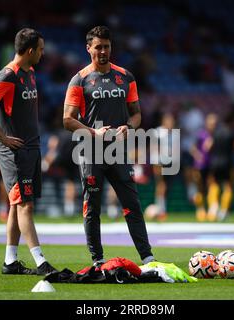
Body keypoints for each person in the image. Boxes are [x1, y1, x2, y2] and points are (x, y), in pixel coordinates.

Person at [63, 26, 155, 267]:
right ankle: (97, 260)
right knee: (92, 208)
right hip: (91, 152)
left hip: (118, 152)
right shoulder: (79, 79)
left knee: (132, 205)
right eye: (98, 47)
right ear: (88, 49)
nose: (103, 51)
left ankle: (148, 257)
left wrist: (129, 127)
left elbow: (136, 115)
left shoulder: (126, 76)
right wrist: (94, 132)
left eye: (107, 46)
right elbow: (67, 119)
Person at [0, 28, 58, 275]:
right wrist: (1, 136)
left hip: (31, 148)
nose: (43, 54)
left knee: (16, 205)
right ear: (30, 50)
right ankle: (41, 261)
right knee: (25, 205)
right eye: (41, 50)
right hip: (15, 151)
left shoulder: (29, 72)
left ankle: (10, 261)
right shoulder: (9, 75)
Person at [205, 114, 234, 222]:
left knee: (214, 184)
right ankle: (223, 210)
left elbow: (207, 147)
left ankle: (213, 207)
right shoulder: (231, 133)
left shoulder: (215, 133)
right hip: (227, 163)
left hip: (215, 163)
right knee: (228, 187)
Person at [190, 113, 217, 221]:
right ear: (206, 124)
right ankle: (200, 209)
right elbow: (193, 148)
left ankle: (212, 209)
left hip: (212, 165)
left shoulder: (216, 135)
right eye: (211, 123)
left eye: (214, 124)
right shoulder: (201, 134)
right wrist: (198, 155)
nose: (212, 125)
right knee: (200, 188)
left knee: (211, 186)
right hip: (200, 165)